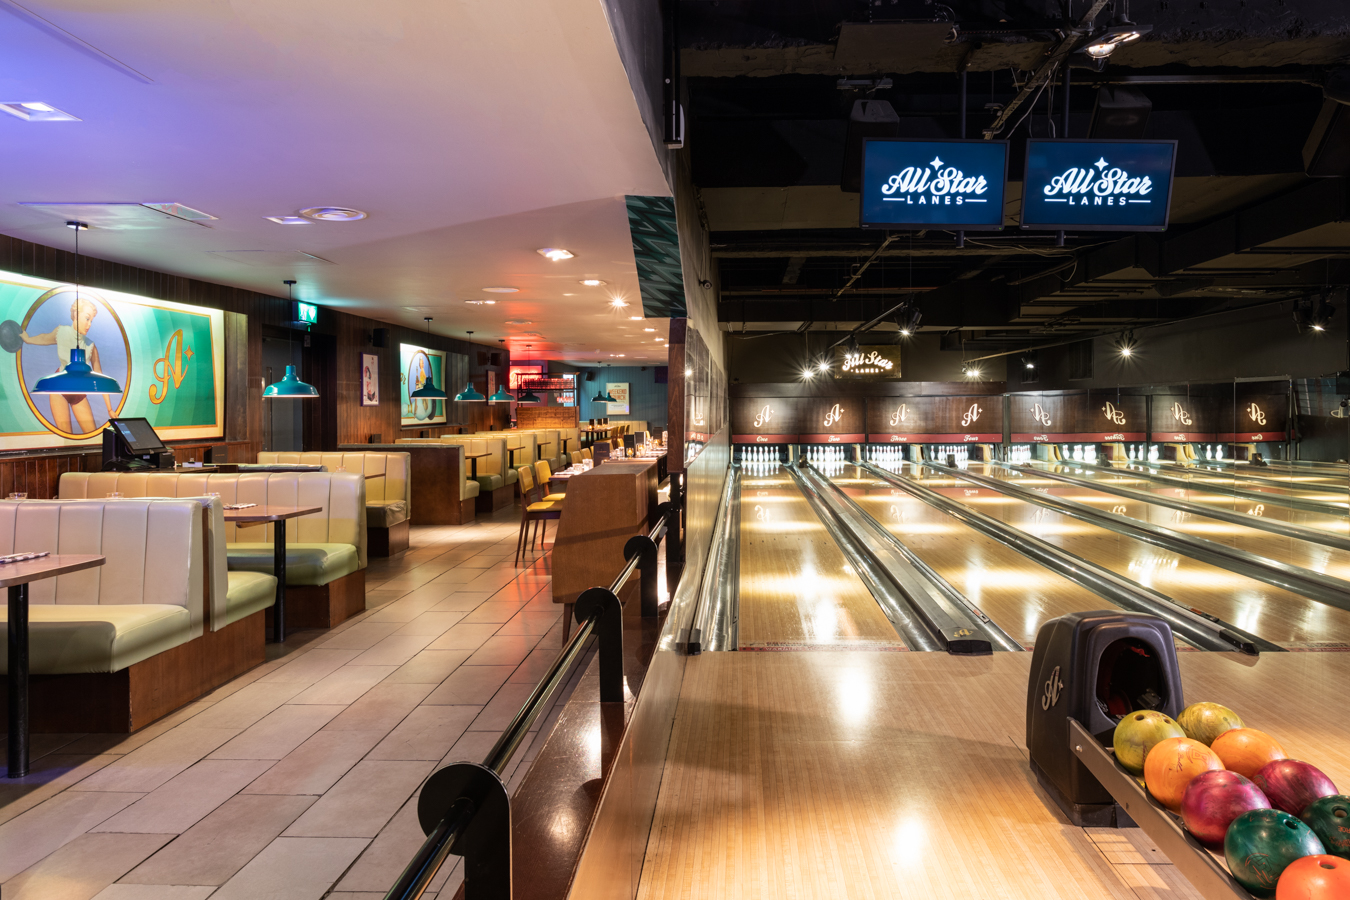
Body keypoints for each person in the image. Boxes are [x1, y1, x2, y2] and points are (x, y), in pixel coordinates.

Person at [21, 295, 114, 435]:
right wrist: (28, 339)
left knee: (92, 435)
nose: (89, 324)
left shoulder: (91, 345)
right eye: (87, 318)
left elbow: (100, 377)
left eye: (91, 321)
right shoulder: (61, 332)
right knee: (65, 436)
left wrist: (109, 409)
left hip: (78, 392)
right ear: (76, 314)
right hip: (58, 388)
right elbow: (44, 338)